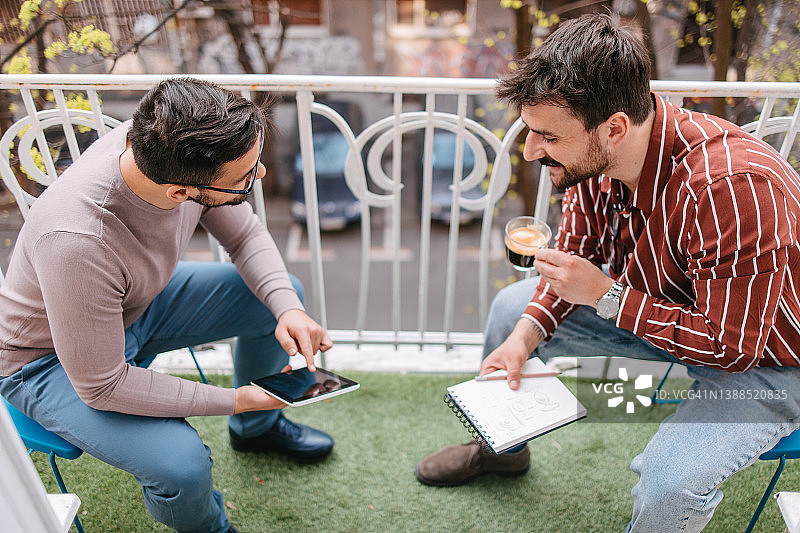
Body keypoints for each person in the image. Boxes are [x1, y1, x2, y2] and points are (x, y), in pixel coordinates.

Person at [415, 13, 800, 532]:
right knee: (512, 312)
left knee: (668, 482)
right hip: (665, 316)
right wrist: (524, 339)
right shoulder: (598, 160)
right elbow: (572, 259)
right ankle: (502, 449)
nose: (530, 151)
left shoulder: (731, 187)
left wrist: (609, 295)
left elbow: (732, 347)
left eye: (547, 136)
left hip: (767, 358)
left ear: (614, 128)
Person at [0, 78, 336, 533]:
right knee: (182, 467)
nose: (258, 176)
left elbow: (244, 235)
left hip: (134, 304)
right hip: (46, 361)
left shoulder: (166, 143)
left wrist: (288, 308)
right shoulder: (77, 241)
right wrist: (235, 400)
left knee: (280, 292)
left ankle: (256, 433)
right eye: (243, 178)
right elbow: (102, 386)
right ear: (179, 193)